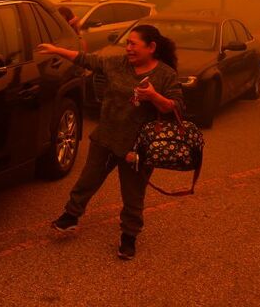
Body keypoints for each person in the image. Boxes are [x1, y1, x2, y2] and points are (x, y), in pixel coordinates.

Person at [37, 24, 184, 260]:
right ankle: (70, 216)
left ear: (151, 47)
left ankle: (129, 237)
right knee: (87, 180)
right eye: (127, 43)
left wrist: (154, 96)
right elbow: (88, 60)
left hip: (138, 149)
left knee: (133, 195)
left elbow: (176, 107)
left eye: (133, 44)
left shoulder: (166, 74)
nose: (128, 48)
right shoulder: (117, 64)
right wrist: (57, 50)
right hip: (106, 138)